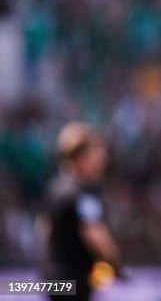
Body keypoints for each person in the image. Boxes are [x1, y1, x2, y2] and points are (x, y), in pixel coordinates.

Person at [40, 122, 121, 300]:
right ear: (82, 157)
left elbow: (43, 230)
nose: (101, 160)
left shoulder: (55, 187)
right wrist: (116, 265)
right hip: (74, 279)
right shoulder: (83, 192)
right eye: (96, 154)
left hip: (53, 278)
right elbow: (94, 233)